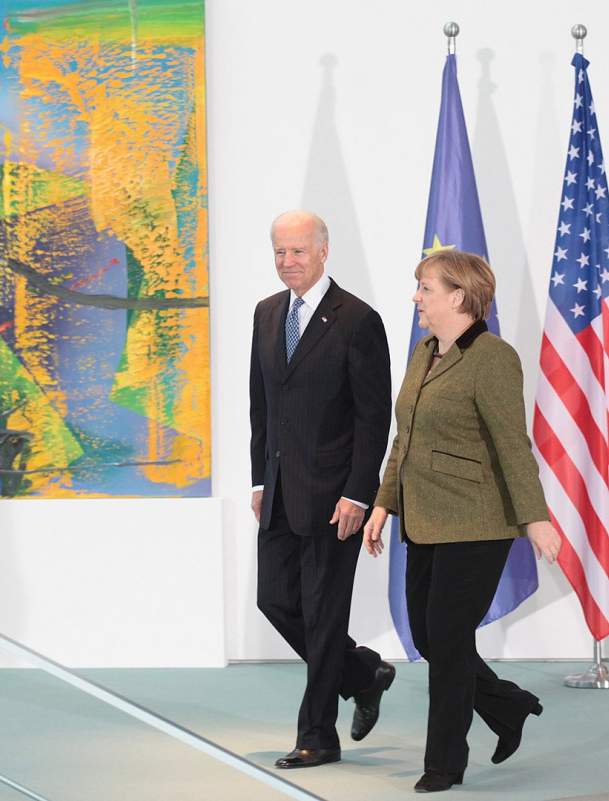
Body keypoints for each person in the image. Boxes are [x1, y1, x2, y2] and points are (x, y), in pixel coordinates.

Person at [362, 250, 561, 793]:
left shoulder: (493, 357)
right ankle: (507, 704)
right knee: (430, 636)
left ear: (458, 296)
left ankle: (445, 763)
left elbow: (512, 444)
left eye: (425, 288)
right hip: (424, 519)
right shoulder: (424, 352)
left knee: (447, 639)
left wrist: (535, 519)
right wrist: (383, 503)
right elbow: (405, 437)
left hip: (478, 521)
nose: (416, 298)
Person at [250, 209, 396, 769]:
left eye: (298, 252)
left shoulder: (358, 319)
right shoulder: (266, 314)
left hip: (337, 499)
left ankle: (318, 737)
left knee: (324, 612)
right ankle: (362, 673)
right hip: (280, 492)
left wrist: (360, 494)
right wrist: (261, 478)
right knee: (275, 600)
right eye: (280, 252)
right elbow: (261, 404)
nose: (288, 262)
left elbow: (372, 417)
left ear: (324, 250)